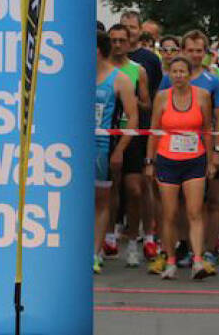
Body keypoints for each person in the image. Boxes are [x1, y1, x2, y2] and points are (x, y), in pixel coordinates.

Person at [159, 29, 219, 271]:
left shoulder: (212, 81)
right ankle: (178, 249)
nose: (195, 55)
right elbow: (159, 118)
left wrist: (217, 151)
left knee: (207, 202)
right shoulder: (169, 79)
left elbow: (218, 119)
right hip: (170, 154)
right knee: (172, 207)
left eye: (200, 51)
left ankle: (207, 252)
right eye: (191, 50)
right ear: (183, 51)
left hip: (201, 151)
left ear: (206, 53)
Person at [147, 54, 218, 280]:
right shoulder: (161, 97)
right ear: (169, 73)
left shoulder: (203, 96)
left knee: (195, 212)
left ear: (190, 75)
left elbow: (207, 129)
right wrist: (149, 161)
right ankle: (170, 260)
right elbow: (154, 130)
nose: (178, 76)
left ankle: (198, 260)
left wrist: (211, 159)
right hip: (167, 158)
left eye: (182, 72)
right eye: (174, 72)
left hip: (194, 159)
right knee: (169, 214)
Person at [118, 10, 161, 266]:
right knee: (112, 188)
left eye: (132, 27)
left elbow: (151, 100)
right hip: (114, 130)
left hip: (141, 131)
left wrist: (135, 103)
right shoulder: (109, 60)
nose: (128, 31)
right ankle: (110, 237)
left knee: (141, 187)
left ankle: (148, 235)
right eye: (124, 27)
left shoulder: (147, 61)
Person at [93, 31, 138, 274]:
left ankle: (95, 253)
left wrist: (120, 150)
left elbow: (133, 118)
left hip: (102, 147)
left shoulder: (119, 80)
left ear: (98, 50)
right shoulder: (75, 77)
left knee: (101, 201)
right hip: (75, 148)